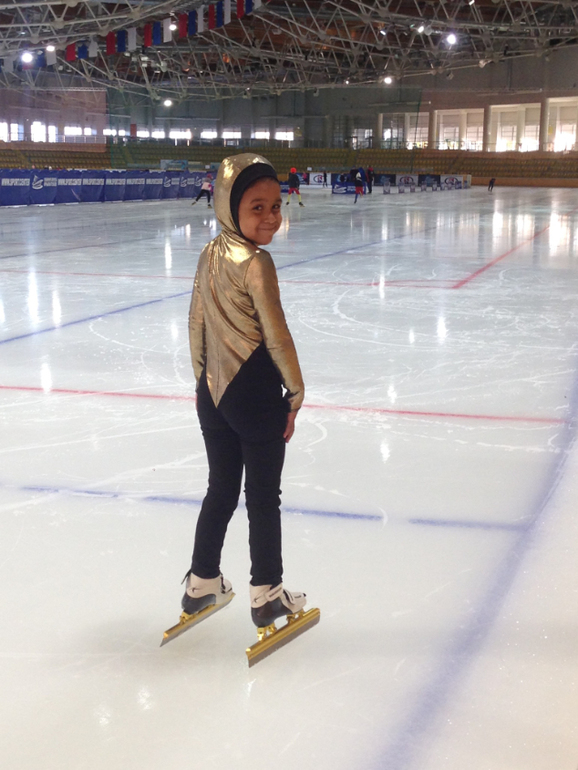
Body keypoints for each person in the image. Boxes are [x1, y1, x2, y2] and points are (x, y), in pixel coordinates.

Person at [182, 153, 310, 641]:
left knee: (220, 488)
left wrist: (203, 384)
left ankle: (201, 582)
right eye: (258, 207)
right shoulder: (257, 262)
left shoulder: (209, 253)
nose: (271, 217)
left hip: (212, 394)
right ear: (229, 207)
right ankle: (267, 592)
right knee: (261, 496)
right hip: (255, 394)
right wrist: (294, 392)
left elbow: (195, 324)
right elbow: (276, 334)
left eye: (276, 206)